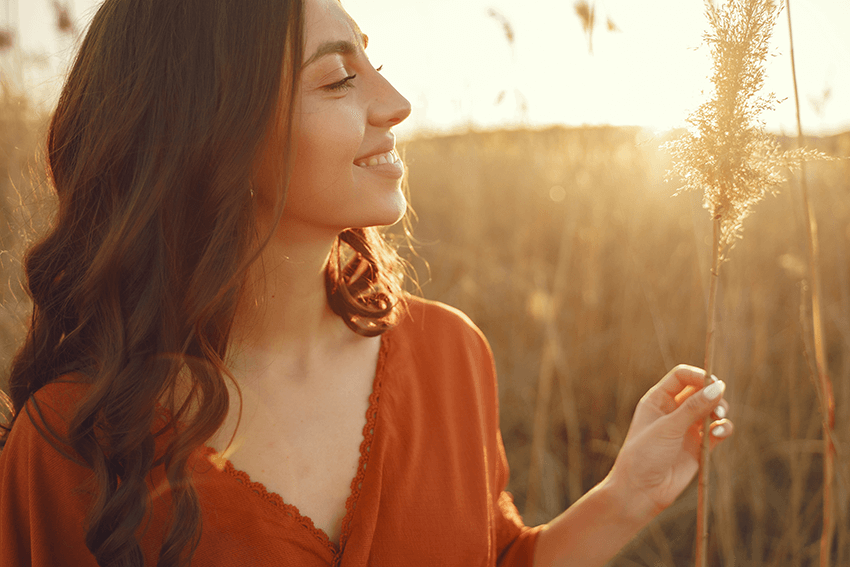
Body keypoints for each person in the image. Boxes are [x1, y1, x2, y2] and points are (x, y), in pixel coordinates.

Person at [0, 0, 734, 565]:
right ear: (210, 135)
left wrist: (624, 496)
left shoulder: (449, 353)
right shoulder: (71, 441)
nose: (396, 103)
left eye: (372, 64)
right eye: (338, 78)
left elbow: (495, 555)